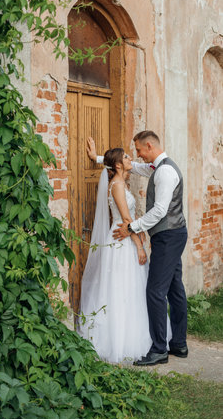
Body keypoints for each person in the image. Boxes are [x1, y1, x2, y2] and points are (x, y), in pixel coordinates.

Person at [87, 131, 188, 366]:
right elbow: (128, 167)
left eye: (139, 151)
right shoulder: (155, 167)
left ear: (149, 146)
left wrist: (133, 227)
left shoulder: (164, 171)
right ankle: (179, 344)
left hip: (168, 235)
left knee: (155, 291)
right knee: (174, 288)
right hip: (171, 234)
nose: (137, 156)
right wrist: (98, 158)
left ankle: (160, 349)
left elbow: (161, 210)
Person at [78, 148, 152, 363]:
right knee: (121, 287)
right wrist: (139, 245)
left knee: (128, 288)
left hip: (124, 237)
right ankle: (118, 340)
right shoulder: (118, 185)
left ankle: (130, 333)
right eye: (127, 157)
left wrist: (95, 157)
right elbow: (126, 219)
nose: (131, 159)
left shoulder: (121, 182)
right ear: (118, 165)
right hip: (122, 241)